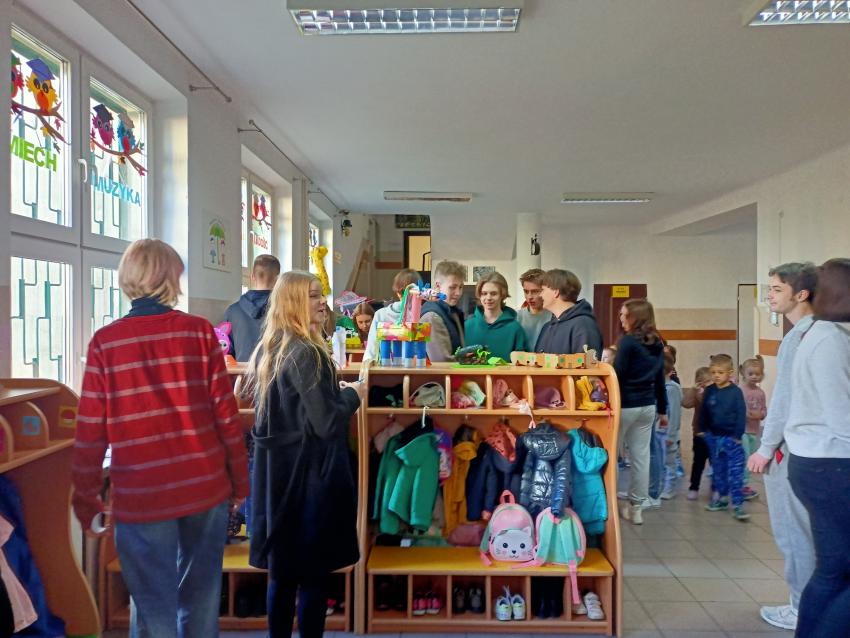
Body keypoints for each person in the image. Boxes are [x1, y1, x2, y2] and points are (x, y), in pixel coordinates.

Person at [72, 239, 249, 638]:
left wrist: (86, 496)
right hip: (204, 486)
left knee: (153, 609)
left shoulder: (106, 342)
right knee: (201, 599)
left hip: (142, 492)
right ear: (171, 278)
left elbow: (90, 430)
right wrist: (240, 481)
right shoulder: (199, 333)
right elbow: (226, 417)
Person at [246, 270, 366, 638]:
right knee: (313, 576)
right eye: (313, 295)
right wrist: (354, 394)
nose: (322, 302)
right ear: (295, 301)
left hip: (280, 479)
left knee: (282, 576)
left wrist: (333, 394)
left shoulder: (273, 347)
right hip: (309, 480)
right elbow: (327, 423)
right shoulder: (306, 352)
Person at [747, 262, 817, 631]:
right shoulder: (826, 331)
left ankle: (801, 606)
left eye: (776, 289)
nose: (769, 296)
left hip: (794, 447)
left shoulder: (800, 336)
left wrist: (765, 447)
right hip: (817, 449)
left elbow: (784, 399)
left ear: (801, 294)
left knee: (793, 532)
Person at [782, 259, 850, 638]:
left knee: (833, 569)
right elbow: (842, 418)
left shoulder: (826, 334)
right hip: (830, 465)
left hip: (821, 462)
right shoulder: (829, 341)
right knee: (839, 570)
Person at [613, 299, 667, 525]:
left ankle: (610, 504)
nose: (621, 319)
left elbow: (617, 375)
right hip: (648, 406)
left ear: (636, 317)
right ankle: (637, 508)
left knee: (613, 456)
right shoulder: (658, 342)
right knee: (641, 457)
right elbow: (659, 378)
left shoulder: (627, 342)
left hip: (625, 405)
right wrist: (663, 409)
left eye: (625, 315)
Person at [700, 354, 749, 521]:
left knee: (735, 472)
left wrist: (737, 435)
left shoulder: (735, 392)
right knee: (718, 471)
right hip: (714, 437)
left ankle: (738, 504)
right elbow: (704, 411)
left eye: (720, 372)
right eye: (713, 372)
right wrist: (703, 429)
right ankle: (722, 498)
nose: (716, 376)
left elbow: (741, 414)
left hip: (731, 439)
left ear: (730, 373)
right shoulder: (710, 390)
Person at [224, 254, 281, 361]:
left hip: (242, 371)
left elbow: (227, 349)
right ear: (278, 279)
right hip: (276, 370)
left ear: (252, 276)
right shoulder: (285, 309)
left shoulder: (232, 311)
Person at [535, 269, 603, 355]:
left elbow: (586, 362)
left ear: (556, 292)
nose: (540, 295)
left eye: (543, 290)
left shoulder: (583, 325)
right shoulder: (547, 327)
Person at [463, 271, 527, 360]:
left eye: (493, 293)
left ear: (502, 295)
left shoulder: (515, 328)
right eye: (484, 293)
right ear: (479, 296)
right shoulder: (467, 326)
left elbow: (521, 363)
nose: (488, 298)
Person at [363, 268, 420, 362]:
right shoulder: (419, 315)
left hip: (386, 367)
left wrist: (367, 365)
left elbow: (371, 350)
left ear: (397, 292)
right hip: (413, 367)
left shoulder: (380, 314)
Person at [420, 260, 466, 362]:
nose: (458, 293)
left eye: (461, 287)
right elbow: (441, 362)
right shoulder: (432, 316)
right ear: (438, 286)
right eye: (452, 287)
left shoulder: (453, 312)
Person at [738, 355, 766, 500]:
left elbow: (764, 410)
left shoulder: (760, 393)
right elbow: (736, 409)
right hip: (741, 431)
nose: (754, 377)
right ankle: (741, 486)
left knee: (750, 458)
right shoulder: (740, 391)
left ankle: (742, 484)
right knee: (744, 458)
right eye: (751, 374)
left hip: (754, 431)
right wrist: (745, 414)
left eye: (757, 374)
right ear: (743, 373)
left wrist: (760, 414)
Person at [684, 367, 712, 500]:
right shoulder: (697, 394)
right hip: (699, 434)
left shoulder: (716, 393)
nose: (705, 385)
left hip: (714, 434)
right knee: (698, 463)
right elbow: (685, 403)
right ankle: (694, 487)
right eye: (702, 382)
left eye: (708, 381)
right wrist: (693, 390)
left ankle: (717, 488)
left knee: (716, 463)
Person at [660, 353, 683, 499]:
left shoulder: (672, 389)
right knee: (659, 462)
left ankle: (669, 488)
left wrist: (671, 435)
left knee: (669, 462)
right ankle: (659, 487)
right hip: (657, 432)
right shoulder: (657, 387)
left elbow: (674, 414)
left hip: (667, 433)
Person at [516, 268, 552, 348]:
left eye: (535, 291)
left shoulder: (554, 317)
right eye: (526, 291)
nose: (529, 297)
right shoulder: (517, 317)